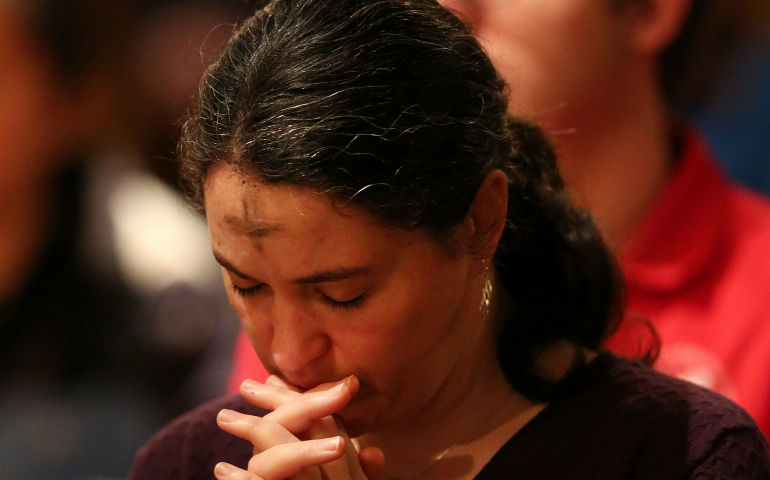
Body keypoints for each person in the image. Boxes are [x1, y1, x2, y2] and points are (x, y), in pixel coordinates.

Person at [128, 0, 770, 479]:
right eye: (247, 286)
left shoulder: (673, 454)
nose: (290, 355)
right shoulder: (190, 464)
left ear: (481, 220)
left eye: (344, 295)